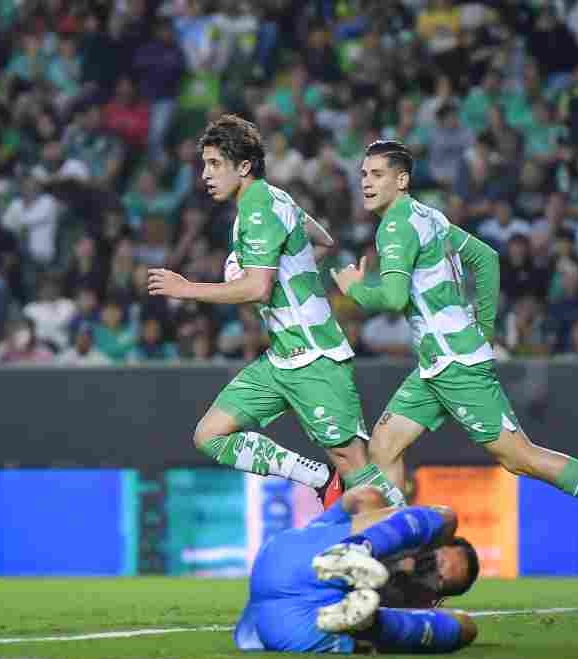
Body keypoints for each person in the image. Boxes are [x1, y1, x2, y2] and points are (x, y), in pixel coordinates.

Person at [332, 140, 578, 568]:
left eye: (377, 174)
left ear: (402, 180)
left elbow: (392, 299)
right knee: (384, 448)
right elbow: (485, 258)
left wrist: (353, 288)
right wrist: (483, 328)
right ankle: (401, 556)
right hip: (439, 363)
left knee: (517, 456)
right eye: (363, 175)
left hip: (455, 365)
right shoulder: (429, 216)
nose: (366, 183)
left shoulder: (395, 225)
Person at [148, 115, 404, 508]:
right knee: (210, 434)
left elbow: (257, 287)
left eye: (215, 164)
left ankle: (415, 545)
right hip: (281, 358)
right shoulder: (274, 199)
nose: (205, 175)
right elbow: (324, 241)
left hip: (315, 356)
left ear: (244, 166)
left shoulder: (258, 210)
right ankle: (318, 478)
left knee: (355, 467)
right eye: (205, 164)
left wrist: (186, 289)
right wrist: (294, 268)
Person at [234, 486, 478, 654]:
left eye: (440, 579)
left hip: (295, 625)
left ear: (433, 596)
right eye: (434, 562)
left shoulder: (408, 602)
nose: (431, 571)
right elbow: (364, 496)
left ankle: (365, 617)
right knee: (446, 517)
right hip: (294, 567)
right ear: (430, 546)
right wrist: (395, 541)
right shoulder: (385, 534)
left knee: (466, 628)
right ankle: (359, 549)